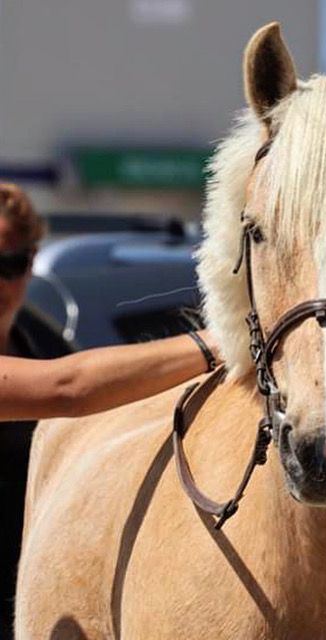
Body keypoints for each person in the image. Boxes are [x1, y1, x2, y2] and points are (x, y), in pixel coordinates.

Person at [0, 183, 219, 635]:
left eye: (10, 264)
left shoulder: (45, 340)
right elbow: (69, 387)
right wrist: (219, 343)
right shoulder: (60, 359)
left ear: (31, 260)